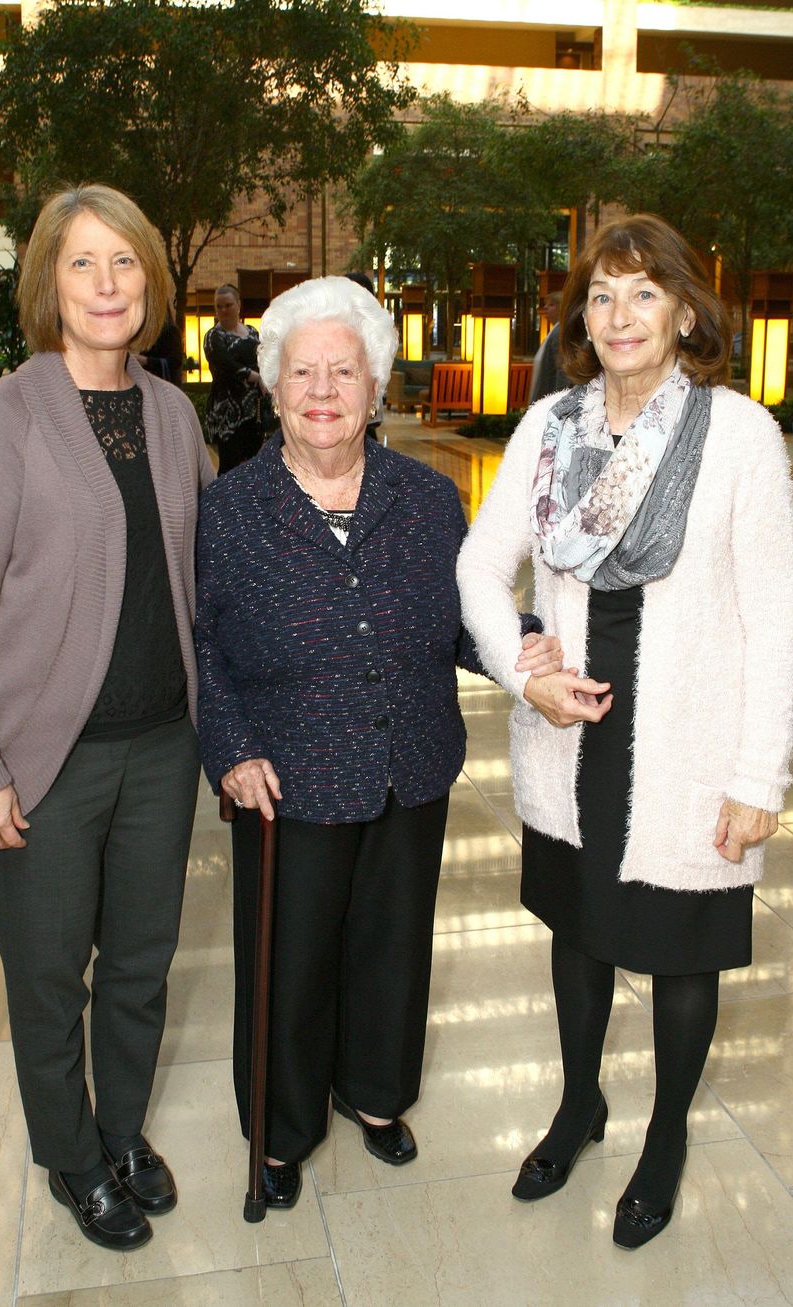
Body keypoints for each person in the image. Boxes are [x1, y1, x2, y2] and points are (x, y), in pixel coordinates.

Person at [457, 214, 793, 1250]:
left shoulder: (738, 433)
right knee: (576, 931)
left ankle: (662, 1139)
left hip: (687, 747)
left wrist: (757, 773)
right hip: (572, 734)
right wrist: (523, 666)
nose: (618, 315)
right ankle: (578, 1103)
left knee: (679, 951)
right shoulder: (549, 426)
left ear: (685, 311)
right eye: (600, 295)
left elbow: (775, 611)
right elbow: (481, 567)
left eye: (643, 293)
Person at [195, 275, 563, 1210]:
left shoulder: (429, 498)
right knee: (290, 962)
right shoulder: (228, 511)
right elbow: (200, 645)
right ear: (273, 389)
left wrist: (524, 646)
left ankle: (374, 1093)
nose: (323, 390)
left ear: (374, 387)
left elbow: (461, 618)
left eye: (344, 371)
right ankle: (281, 1129)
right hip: (287, 776)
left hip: (410, 759)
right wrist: (232, 749)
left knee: (392, 948)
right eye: (303, 372)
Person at [0, 183, 215, 1252]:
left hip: (160, 746)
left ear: (151, 279)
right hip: (44, 762)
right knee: (49, 977)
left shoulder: (173, 412)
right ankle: (72, 1156)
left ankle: (121, 1128)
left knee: (141, 964)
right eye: (82, 264)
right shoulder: (5, 420)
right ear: (49, 282)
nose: (107, 285)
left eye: (125, 262)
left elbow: (198, 576)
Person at [203, 283, 267, 474]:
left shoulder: (253, 332)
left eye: (228, 305)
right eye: (219, 306)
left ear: (238, 305)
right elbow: (225, 365)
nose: (223, 310)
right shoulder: (213, 336)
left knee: (254, 463)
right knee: (229, 467)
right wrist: (255, 377)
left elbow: (265, 358)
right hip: (227, 413)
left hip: (254, 410)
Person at [529, 290, 570, 404]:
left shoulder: (559, 333)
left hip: (550, 400)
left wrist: (558, 402)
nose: (545, 307)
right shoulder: (555, 330)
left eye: (551, 304)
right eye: (546, 304)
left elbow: (562, 370)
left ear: (561, 307)